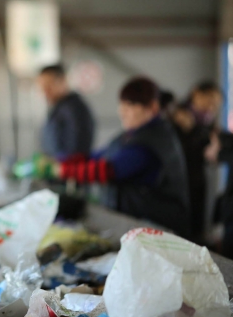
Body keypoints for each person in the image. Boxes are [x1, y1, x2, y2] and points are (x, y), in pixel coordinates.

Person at [31, 77, 190, 237]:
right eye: (122, 104)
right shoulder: (130, 135)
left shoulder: (154, 140)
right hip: (135, 223)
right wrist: (59, 161)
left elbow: (108, 170)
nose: (122, 111)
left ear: (153, 107)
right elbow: (97, 156)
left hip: (157, 229)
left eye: (131, 105)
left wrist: (61, 170)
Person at [171, 81, 222, 243]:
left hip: (198, 180)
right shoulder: (176, 116)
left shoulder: (206, 122)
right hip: (179, 181)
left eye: (215, 104)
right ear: (196, 93)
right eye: (209, 100)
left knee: (197, 225)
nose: (211, 107)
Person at [37, 64, 95, 160]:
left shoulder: (74, 110)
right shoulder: (59, 108)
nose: (45, 91)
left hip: (68, 171)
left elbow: (76, 151)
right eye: (42, 87)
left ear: (63, 81)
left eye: (49, 85)